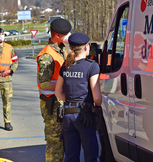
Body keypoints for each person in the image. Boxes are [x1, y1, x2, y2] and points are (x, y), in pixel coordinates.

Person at [55, 32, 102, 162]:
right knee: (91, 155)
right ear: (86, 47)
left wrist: (71, 103)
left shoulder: (65, 66)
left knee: (71, 156)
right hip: (84, 116)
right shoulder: (91, 66)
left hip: (67, 115)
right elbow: (97, 98)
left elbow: (58, 92)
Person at [36, 18, 71, 162]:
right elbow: (43, 84)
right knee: (54, 143)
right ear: (58, 35)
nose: (69, 36)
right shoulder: (47, 56)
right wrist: (66, 87)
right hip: (52, 104)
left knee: (63, 142)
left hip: (60, 102)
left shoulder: (63, 49)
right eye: (66, 34)